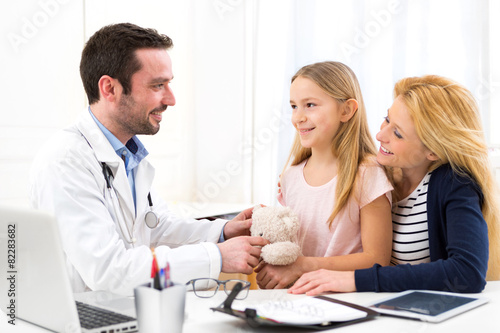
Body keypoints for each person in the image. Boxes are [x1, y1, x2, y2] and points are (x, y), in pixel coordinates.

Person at [29, 23, 267, 296]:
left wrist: (223, 231)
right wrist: (216, 256)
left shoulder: (128, 154)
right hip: (83, 316)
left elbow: (156, 227)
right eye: (157, 85)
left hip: (127, 308)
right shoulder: (65, 161)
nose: (171, 99)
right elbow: (109, 271)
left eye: (169, 84)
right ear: (110, 89)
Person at [289, 75, 500, 295]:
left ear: (433, 151)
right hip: (378, 303)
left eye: (397, 133)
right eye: (387, 119)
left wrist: (356, 280)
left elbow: (467, 273)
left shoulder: (455, 184)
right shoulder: (377, 173)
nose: (380, 135)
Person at [255, 61, 393, 289]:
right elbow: (293, 250)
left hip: (347, 299)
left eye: (310, 105)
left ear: (346, 110)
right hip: (300, 297)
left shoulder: (367, 174)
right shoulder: (290, 177)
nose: (297, 117)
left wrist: (303, 265)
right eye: (293, 106)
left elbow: (376, 259)